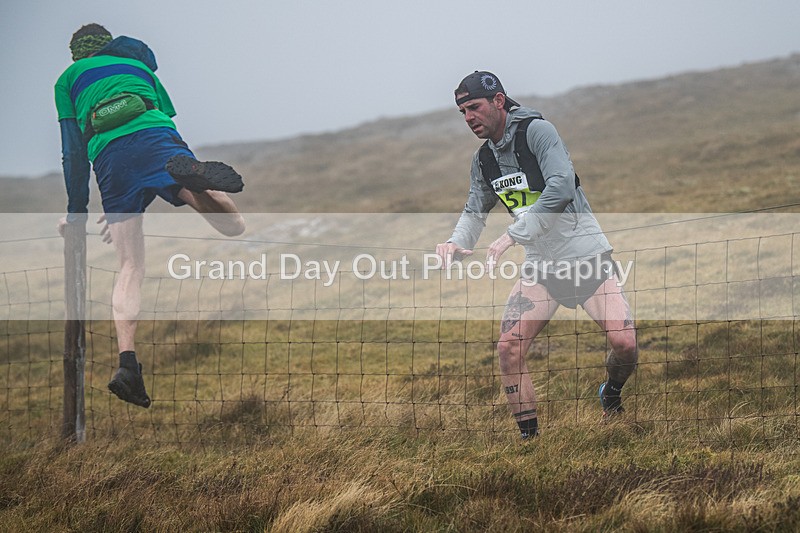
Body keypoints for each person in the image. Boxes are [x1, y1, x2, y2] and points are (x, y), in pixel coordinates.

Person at [436, 71, 639, 438]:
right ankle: (531, 444)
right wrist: (454, 242)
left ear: (498, 101)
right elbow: (474, 210)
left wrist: (513, 235)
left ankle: (611, 392)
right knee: (508, 350)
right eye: (462, 111)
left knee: (625, 346)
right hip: (541, 269)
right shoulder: (484, 161)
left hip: (587, 259)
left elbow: (560, 187)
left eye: (474, 107)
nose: (468, 118)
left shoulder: (538, 132)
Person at [55, 24, 246, 408]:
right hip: (158, 140)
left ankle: (128, 364)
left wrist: (77, 215)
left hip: (111, 160)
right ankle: (190, 182)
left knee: (131, 266)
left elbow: (74, 153)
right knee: (234, 225)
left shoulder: (68, 79)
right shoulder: (139, 70)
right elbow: (161, 118)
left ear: (77, 53)